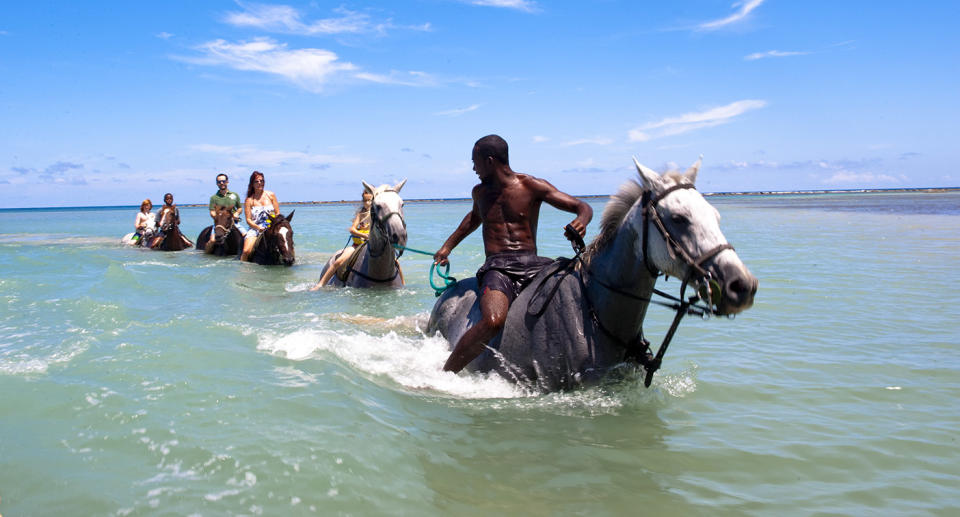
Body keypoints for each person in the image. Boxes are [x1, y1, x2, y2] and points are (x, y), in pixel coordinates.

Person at [433, 134, 593, 373]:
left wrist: (582, 220)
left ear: (489, 161)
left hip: (534, 264)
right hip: (498, 268)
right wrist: (447, 247)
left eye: (475, 161)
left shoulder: (532, 186)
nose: (473, 167)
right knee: (493, 321)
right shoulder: (480, 193)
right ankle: (445, 374)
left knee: (580, 292)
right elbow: (473, 219)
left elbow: (581, 206)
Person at [311, 190, 374, 289]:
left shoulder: (378, 214)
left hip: (374, 245)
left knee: (395, 262)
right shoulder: (361, 214)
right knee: (338, 261)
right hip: (357, 246)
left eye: (370, 200)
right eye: (365, 201)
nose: (367, 203)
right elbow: (352, 229)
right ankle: (320, 284)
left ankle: (402, 285)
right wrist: (365, 236)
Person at [240, 170, 280, 262]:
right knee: (246, 251)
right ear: (252, 184)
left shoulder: (271, 195)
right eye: (257, 181)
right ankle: (244, 270)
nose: (260, 183)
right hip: (256, 228)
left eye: (262, 181)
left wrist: (275, 225)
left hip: (271, 226)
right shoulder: (249, 200)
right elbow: (248, 220)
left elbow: (277, 213)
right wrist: (258, 228)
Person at [206, 173, 243, 252]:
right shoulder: (213, 198)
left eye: (223, 181)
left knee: (245, 236)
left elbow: (239, 208)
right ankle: (206, 257)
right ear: (217, 184)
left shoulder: (234, 195)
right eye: (219, 182)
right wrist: (217, 217)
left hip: (234, 222)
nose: (221, 183)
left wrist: (236, 213)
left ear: (227, 182)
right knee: (212, 241)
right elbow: (212, 211)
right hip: (219, 224)